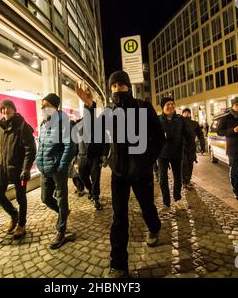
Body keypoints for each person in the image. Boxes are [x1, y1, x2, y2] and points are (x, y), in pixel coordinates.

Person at [76, 70, 165, 278]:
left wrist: (146, 161)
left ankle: (154, 227)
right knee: (119, 217)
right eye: (114, 86)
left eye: (121, 85)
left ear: (128, 86)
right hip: (119, 173)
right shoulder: (108, 112)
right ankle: (119, 265)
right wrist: (89, 107)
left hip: (141, 172)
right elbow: (95, 139)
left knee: (147, 207)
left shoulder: (143, 107)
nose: (117, 89)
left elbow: (159, 139)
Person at [0, 100, 36, 239]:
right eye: (2, 109)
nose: (5, 111)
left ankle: (21, 224)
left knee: (21, 198)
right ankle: (13, 214)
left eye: (8, 108)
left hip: (19, 171)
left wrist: (26, 169)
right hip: (2, 169)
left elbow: (30, 150)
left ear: (14, 110)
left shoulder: (22, 127)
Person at [36, 93, 76, 249]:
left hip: (58, 168)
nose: (43, 108)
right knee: (45, 198)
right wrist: (39, 161)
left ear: (55, 106)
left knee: (61, 198)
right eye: (42, 105)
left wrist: (62, 166)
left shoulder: (64, 122)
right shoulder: (43, 123)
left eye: (46, 105)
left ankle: (61, 231)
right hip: (45, 168)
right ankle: (63, 212)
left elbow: (70, 146)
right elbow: (42, 145)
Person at [157, 97, 190, 208]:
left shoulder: (180, 119)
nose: (170, 106)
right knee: (163, 178)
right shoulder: (158, 120)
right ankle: (166, 201)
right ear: (163, 107)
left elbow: (188, 135)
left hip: (177, 153)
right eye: (168, 104)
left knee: (177, 178)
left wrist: (189, 150)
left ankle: (177, 198)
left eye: (172, 104)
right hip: (162, 154)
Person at [76, 115, 107, 210]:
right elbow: (75, 142)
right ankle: (91, 190)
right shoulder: (78, 125)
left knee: (95, 178)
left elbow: (106, 141)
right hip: (82, 156)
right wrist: (74, 157)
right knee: (82, 176)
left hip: (95, 157)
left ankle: (95, 198)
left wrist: (104, 155)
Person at [181, 108, 205, 187]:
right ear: (182, 114)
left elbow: (200, 135)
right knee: (184, 164)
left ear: (190, 114)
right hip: (182, 147)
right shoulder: (179, 122)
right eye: (184, 112)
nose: (186, 114)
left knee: (190, 164)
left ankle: (188, 180)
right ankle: (184, 181)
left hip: (191, 147)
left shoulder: (194, 123)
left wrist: (202, 145)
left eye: (188, 112)